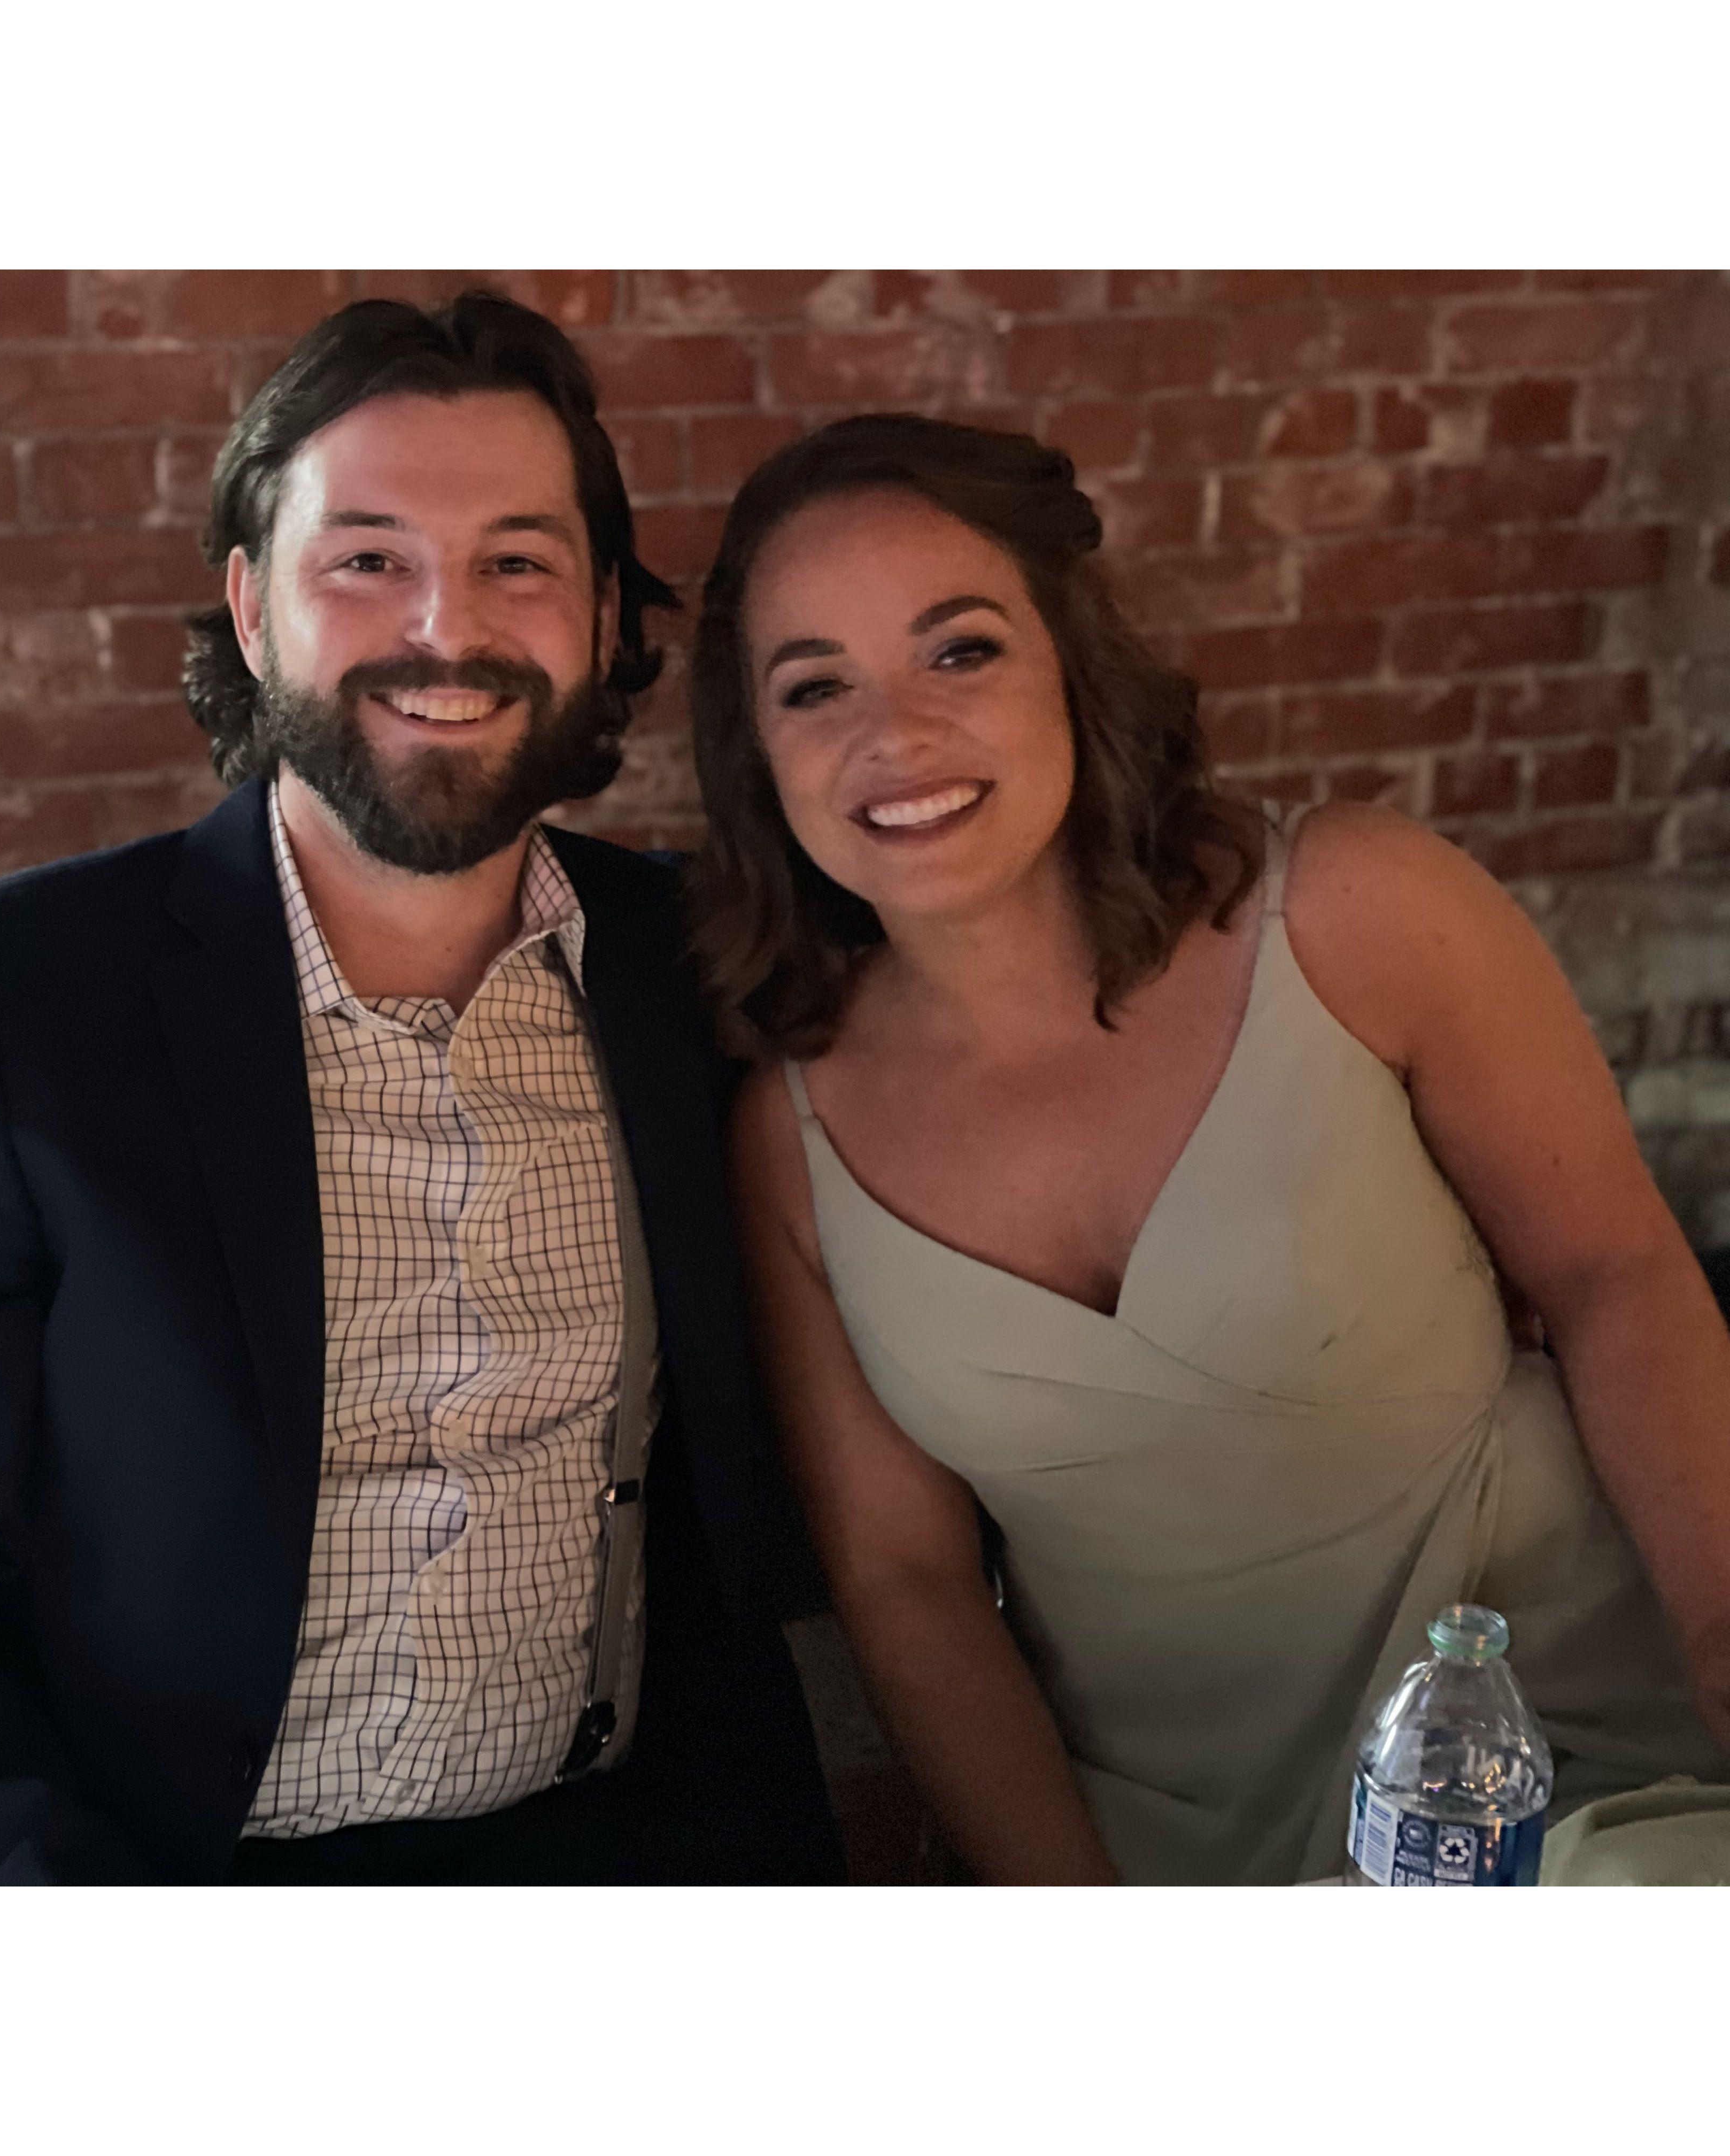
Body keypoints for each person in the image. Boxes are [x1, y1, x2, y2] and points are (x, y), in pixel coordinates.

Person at [0, 291, 840, 1886]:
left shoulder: (693, 968)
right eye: (368, 561)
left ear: (606, 618)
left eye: (520, 563)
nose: (445, 627)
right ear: (253, 608)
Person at [691, 412, 1730, 1886]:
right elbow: (907, 1581)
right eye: (814, 687)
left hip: (1556, 1761)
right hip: (1154, 1846)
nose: (894, 735)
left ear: (1071, 661)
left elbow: (1614, 1271)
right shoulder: (787, 1142)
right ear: (758, 752)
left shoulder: (1358, 911)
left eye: (962, 651)